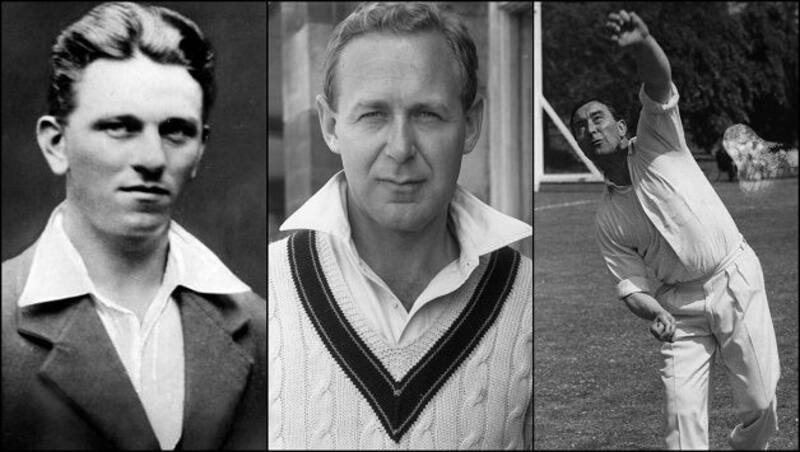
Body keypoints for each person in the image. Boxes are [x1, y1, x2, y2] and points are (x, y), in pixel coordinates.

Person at [1, 2, 266, 449]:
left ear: (201, 149)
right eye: (120, 127)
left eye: (176, 130)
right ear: (56, 144)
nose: (151, 159)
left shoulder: (260, 327)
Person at [268, 2, 532, 449]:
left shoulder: (526, 300)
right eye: (372, 114)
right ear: (331, 126)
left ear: (470, 125)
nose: (401, 147)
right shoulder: (266, 293)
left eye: (427, 114)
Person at [569, 10, 781, 450]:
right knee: (681, 426)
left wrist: (644, 42)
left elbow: (658, 84)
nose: (590, 129)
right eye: (581, 127)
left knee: (760, 400)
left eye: (597, 118)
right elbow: (631, 286)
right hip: (677, 310)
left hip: (732, 278)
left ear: (622, 127)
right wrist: (655, 313)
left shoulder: (657, 139)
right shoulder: (607, 219)